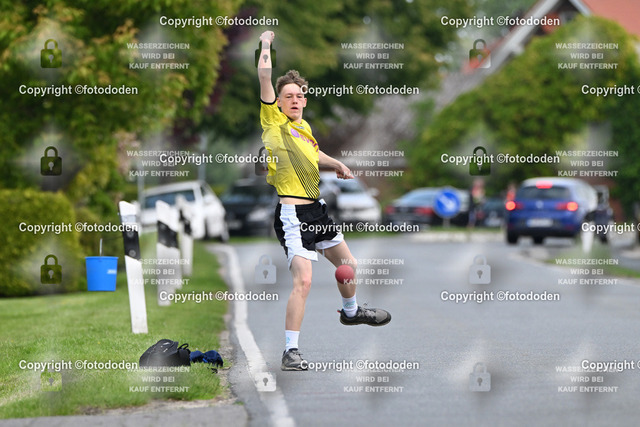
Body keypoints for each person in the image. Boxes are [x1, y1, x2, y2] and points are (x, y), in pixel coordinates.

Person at [256, 30, 392, 371]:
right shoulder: (274, 122)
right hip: (292, 214)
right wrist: (266, 45)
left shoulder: (304, 128)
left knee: (348, 267)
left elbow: (314, 155)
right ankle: (290, 351)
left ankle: (351, 312)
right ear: (278, 102)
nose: (294, 100)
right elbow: (264, 76)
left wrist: (338, 164)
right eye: (288, 96)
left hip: (316, 211)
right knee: (303, 281)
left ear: (305, 101)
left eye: (299, 96)